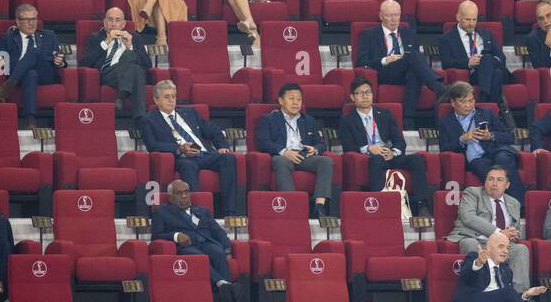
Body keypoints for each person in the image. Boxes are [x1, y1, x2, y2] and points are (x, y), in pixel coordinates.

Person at [140, 79, 240, 215]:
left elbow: (212, 129)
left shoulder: (190, 113)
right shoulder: (149, 120)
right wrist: (179, 148)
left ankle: (230, 212)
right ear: (156, 100)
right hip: (182, 157)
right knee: (188, 166)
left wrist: (222, 146)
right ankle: (198, 212)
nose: (171, 100)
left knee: (228, 159)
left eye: (174, 96)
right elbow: (153, 145)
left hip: (204, 153)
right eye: (166, 97)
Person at [339, 77, 434, 213]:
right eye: (360, 93)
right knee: (376, 160)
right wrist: (369, 148)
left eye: (368, 92)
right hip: (369, 158)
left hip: (389, 155)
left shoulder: (385, 114)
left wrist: (393, 152)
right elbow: (347, 147)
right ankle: (380, 205)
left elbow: (400, 141)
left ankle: (422, 206)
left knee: (417, 159)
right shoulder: (347, 120)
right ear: (352, 97)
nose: (365, 96)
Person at [354, 0, 450, 126]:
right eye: (389, 15)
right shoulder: (369, 34)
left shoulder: (409, 33)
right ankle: (438, 87)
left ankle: (408, 118)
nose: (394, 19)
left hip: (405, 71)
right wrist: (384, 60)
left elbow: (416, 62)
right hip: (384, 72)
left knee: (414, 70)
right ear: (381, 16)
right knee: (413, 55)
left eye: (397, 15)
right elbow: (361, 62)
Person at [448, 166, 533, 293]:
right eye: (490, 179)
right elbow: (468, 217)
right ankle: (479, 292)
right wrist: (498, 232)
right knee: (472, 245)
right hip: (474, 238)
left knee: (521, 249)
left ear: (507, 185)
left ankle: (519, 295)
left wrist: (514, 234)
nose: (494, 183)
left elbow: (516, 228)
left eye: (499, 180)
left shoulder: (514, 202)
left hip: (501, 244)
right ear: (485, 182)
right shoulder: (472, 193)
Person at [255, 83, 334, 217]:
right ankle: (292, 206)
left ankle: (319, 206)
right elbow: (264, 142)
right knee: (280, 161)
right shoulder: (269, 119)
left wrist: (314, 149)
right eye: (291, 98)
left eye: (299, 99)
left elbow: (321, 143)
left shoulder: (308, 120)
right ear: (281, 101)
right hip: (283, 156)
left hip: (304, 156)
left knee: (326, 161)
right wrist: (284, 151)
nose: (296, 103)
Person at [440, 81, 525, 200]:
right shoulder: (446, 122)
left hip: (496, 151)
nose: (468, 105)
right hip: (476, 159)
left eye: (471, 101)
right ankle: (501, 207)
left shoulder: (486, 113)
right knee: (490, 175)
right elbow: (444, 148)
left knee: (502, 159)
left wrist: (490, 136)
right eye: (463, 102)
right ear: (453, 103)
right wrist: (462, 139)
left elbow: (509, 136)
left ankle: (520, 206)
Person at [153, 180, 235, 292]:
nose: (184, 196)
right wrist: (176, 236)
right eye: (179, 193)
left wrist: (227, 249)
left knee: (218, 252)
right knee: (198, 257)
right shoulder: (162, 212)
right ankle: (221, 284)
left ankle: (227, 290)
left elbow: (218, 231)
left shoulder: (202, 211)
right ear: (170, 197)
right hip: (187, 247)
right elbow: (156, 236)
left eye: (187, 192)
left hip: (206, 243)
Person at [80, 7, 151, 126]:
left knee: (136, 68)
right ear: (104, 23)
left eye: (117, 20)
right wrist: (106, 42)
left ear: (123, 24)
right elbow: (85, 62)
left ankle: (125, 102)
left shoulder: (134, 38)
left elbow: (148, 65)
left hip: (130, 73)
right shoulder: (95, 38)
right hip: (109, 73)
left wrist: (130, 47)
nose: (113, 24)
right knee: (133, 66)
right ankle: (139, 116)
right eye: (110, 20)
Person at [440, 0, 511, 110]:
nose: (471, 23)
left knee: (487, 59)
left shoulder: (486, 34)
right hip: (472, 75)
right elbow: (446, 63)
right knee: (496, 74)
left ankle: (483, 98)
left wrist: (487, 61)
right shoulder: (447, 38)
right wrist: (468, 63)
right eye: (468, 19)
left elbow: (501, 58)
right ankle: (492, 109)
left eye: (474, 19)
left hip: (492, 69)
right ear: (458, 17)